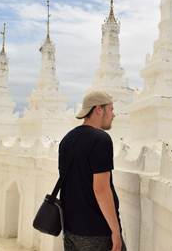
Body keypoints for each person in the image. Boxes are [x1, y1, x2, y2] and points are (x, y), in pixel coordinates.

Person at [58, 91, 126, 251]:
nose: (114, 114)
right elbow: (101, 189)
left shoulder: (66, 139)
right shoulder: (101, 139)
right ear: (98, 108)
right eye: (110, 109)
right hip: (97, 233)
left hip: (70, 231)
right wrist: (116, 231)